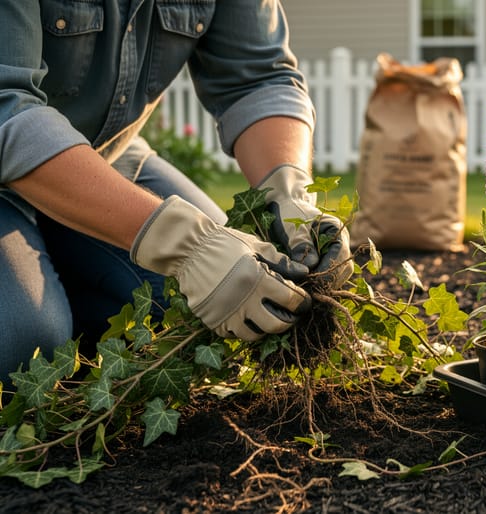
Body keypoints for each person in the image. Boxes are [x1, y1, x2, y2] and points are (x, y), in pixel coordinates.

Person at [0, 1, 352, 385]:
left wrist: (288, 193)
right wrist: (184, 243)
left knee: (225, 299)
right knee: (23, 345)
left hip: (106, 155)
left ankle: (59, 279)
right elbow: (7, 108)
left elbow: (258, 79)